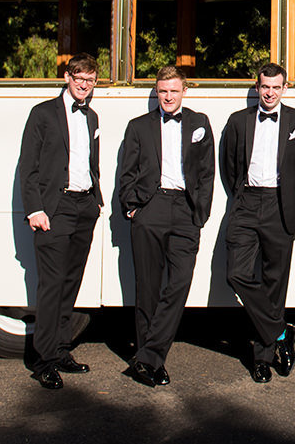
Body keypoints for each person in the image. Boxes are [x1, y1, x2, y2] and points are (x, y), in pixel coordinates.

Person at [219, 63, 295, 382]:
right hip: (247, 203)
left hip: (280, 206)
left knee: (275, 284)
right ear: (257, 86)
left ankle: (262, 359)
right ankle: (280, 333)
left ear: (285, 88)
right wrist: (243, 195)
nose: (270, 92)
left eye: (276, 87)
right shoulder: (238, 121)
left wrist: (287, 196)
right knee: (237, 274)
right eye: (265, 86)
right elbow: (227, 166)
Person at [118, 65, 214, 387]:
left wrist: (201, 212)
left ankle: (147, 356)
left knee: (179, 284)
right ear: (156, 92)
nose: (168, 97)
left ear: (184, 91)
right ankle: (153, 362)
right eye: (163, 91)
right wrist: (132, 208)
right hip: (151, 206)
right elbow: (126, 171)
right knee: (147, 288)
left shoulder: (200, 123)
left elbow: (207, 172)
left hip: (186, 210)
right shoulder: (138, 127)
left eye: (174, 91)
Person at [18, 53, 103, 390]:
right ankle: (44, 360)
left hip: (84, 206)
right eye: (79, 78)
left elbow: (90, 161)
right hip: (55, 208)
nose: (84, 85)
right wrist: (35, 209)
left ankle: (61, 349)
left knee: (71, 282)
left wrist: (96, 201)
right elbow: (28, 166)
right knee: (52, 286)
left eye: (91, 80)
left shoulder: (92, 117)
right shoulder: (42, 113)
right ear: (68, 77)